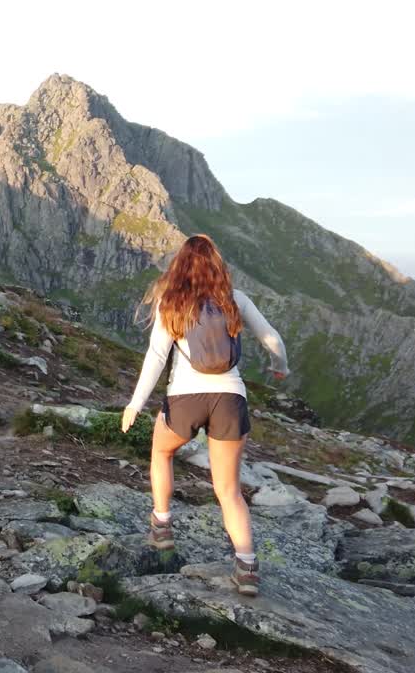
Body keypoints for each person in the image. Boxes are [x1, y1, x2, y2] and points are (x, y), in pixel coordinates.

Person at [120, 234, 289, 597]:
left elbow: (155, 357)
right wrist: (280, 367)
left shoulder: (173, 302)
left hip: (185, 398)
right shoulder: (235, 301)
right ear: (217, 265)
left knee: (162, 452)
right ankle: (246, 567)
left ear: (180, 266)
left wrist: (135, 404)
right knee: (228, 490)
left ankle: (162, 525)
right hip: (230, 398)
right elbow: (272, 339)